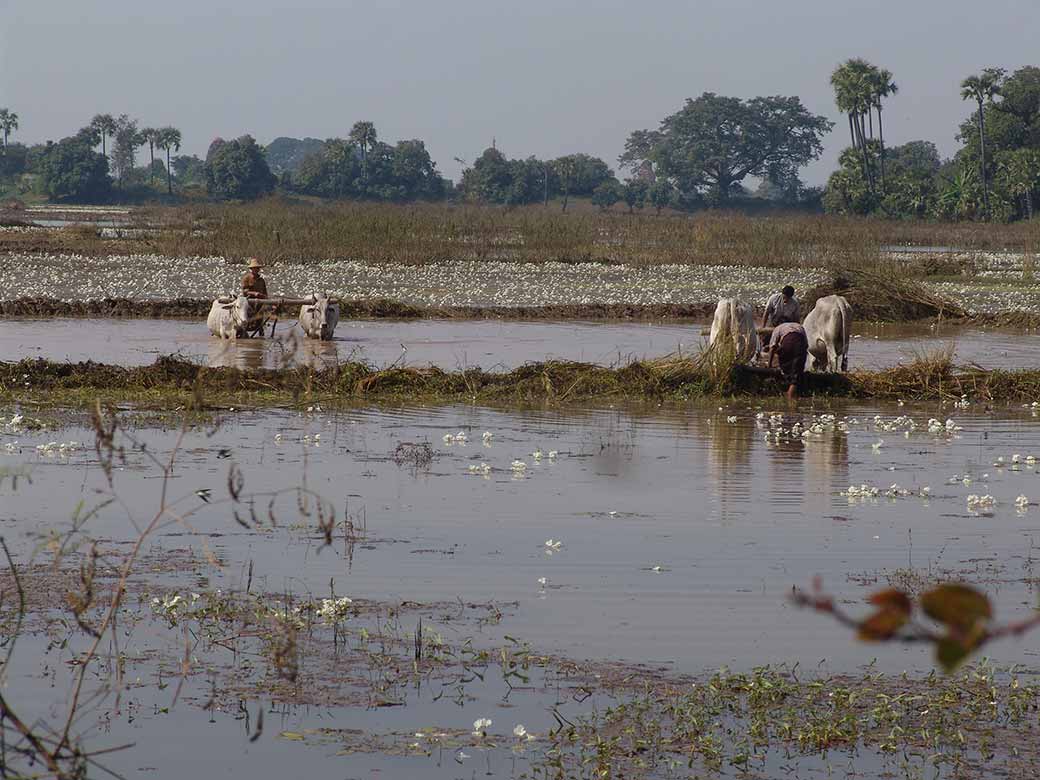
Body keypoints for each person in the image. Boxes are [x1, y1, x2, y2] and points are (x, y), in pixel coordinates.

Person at [766, 321, 808, 400]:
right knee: (797, 371)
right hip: (800, 344)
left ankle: (790, 394)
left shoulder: (778, 328)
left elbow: (772, 347)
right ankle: (793, 392)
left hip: (788, 342)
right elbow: (806, 345)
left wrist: (769, 365)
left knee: (786, 368)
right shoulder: (799, 326)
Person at [240, 258, 269, 336]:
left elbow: (265, 292)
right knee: (246, 319)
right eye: (254, 268)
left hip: (260, 303)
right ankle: (243, 332)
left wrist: (268, 300)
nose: (256, 270)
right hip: (249, 302)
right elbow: (244, 291)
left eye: (257, 268)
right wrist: (254, 293)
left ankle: (261, 333)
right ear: (251, 269)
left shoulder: (261, 280)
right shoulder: (246, 278)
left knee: (260, 320)